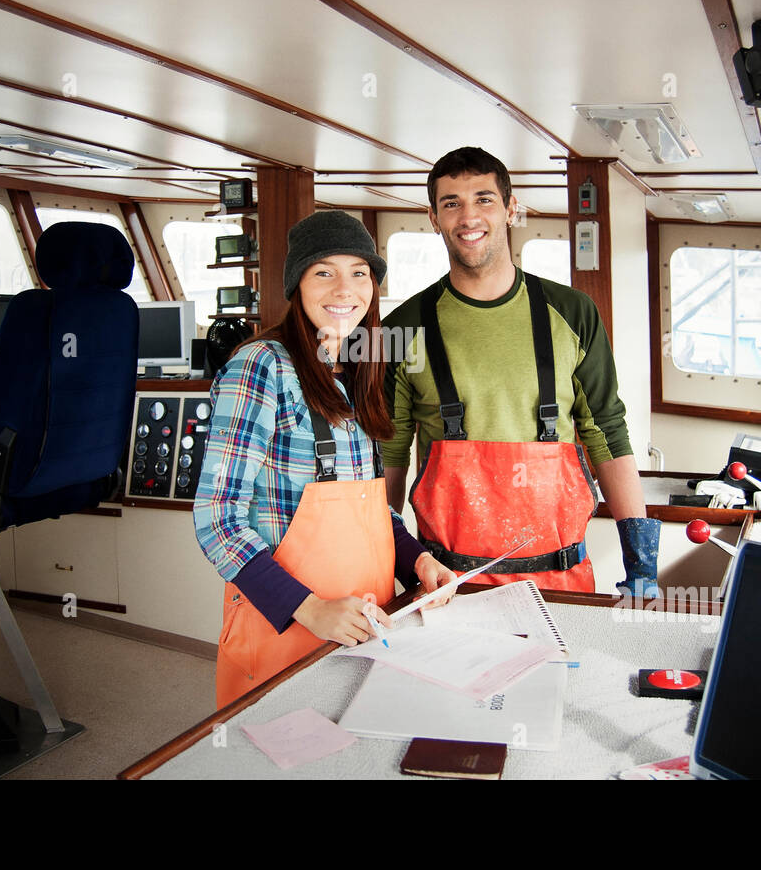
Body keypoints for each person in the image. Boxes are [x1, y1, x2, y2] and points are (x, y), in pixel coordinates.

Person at [195, 211, 457, 708]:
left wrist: (418, 561)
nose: (345, 289)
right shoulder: (260, 365)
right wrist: (309, 608)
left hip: (367, 628)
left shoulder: (357, 368)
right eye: (324, 272)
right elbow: (217, 520)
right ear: (298, 285)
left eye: (359, 272)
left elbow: (370, 510)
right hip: (286, 634)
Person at [382, 147, 661, 596]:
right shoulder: (400, 329)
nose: (468, 217)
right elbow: (389, 453)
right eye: (451, 203)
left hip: (562, 583)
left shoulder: (573, 312)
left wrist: (642, 564)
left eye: (484, 199)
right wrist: (387, 563)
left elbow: (605, 430)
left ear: (511, 209)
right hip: (449, 586)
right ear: (434, 218)